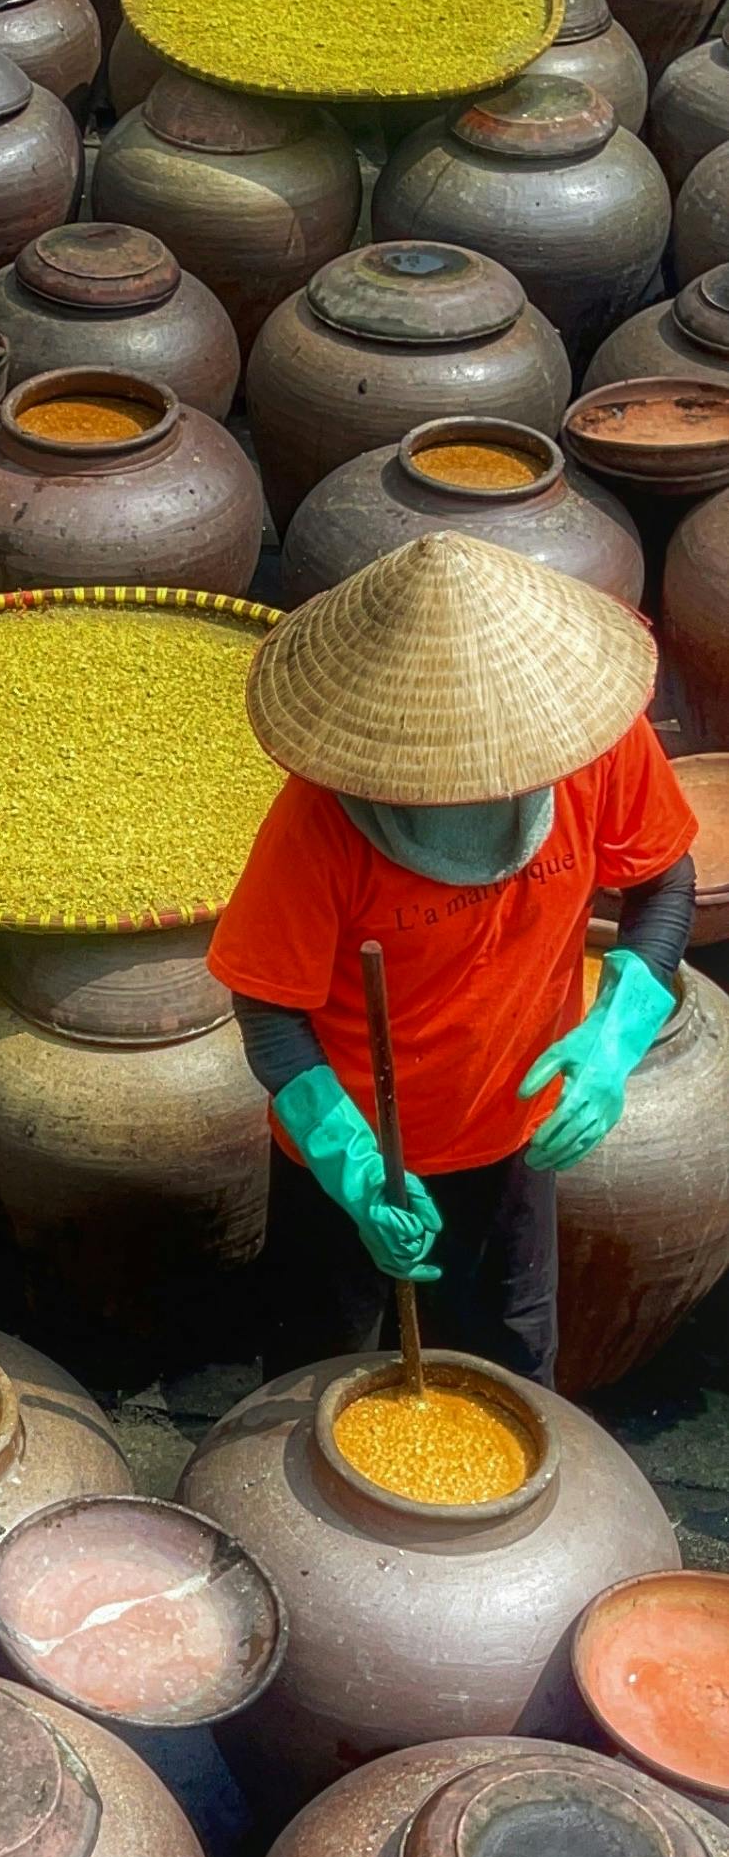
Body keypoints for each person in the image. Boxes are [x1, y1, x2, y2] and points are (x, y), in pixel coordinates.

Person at [209, 531, 696, 1385]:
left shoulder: (597, 746)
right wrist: (351, 1167)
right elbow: (269, 1008)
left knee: (509, 1362)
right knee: (318, 1376)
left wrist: (621, 1029)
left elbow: (664, 882)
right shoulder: (318, 826)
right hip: (359, 1145)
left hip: (514, 1133)